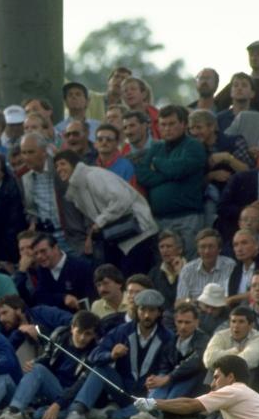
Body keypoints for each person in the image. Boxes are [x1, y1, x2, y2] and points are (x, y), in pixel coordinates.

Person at [65, 289, 172, 419]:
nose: (146, 315)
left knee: (163, 383)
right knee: (100, 369)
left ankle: (112, 414)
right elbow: (94, 356)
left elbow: (171, 366)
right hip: (123, 390)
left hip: (150, 392)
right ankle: (77, 411)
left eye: (152, 311)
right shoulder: (122, 331)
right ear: (136, 310)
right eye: (142, 310)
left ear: (159, 312)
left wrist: (160, 377)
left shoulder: (167, 337)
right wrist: (111, 355)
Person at [54, 149, 158, 275]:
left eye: (63, 163)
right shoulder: (77, 188)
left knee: (136, 279)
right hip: (121, 238)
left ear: (75, 164)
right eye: (56, 166)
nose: (59, 168)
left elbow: (121, 199)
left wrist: (100, 222)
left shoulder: (93, 175)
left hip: (139, 233)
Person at [0, 309, 100, 419]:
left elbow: (80, 384)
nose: (82, 338)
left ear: (94, 334)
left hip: (73, 396)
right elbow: (48, 357)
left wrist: (57, 405)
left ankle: (21, 412)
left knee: (39, 413)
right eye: (79, 332)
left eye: (88, 334)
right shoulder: (60, 335)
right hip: (54, 389)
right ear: (72, 328)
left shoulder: (95, 351)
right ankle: (15, 411)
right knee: (36, 368)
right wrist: (34, 362)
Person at [133, 105, 207, 256]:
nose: (167, 128)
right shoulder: (156, 148)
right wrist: (171, 173)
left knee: (187, 264)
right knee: (163, 267)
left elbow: (179, 169)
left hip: (187, 218)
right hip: (159, 220)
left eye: (172, 124)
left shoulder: (194, 146)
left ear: (184, 124)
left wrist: (158, 163)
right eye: (163, 124)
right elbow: (143, 175)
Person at [129, 302, 209, 419]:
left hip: (194, 381)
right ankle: (150, 412)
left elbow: (195, 363)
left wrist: (167, 378)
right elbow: (164, 366)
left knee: (173, 390)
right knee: (159, 382)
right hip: (174, 379)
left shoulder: (203, 340)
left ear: (196, 322)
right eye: (180, 322)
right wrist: (155, 380)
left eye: (187, 322)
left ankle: (154, 413)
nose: (183, 326)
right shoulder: (172, 342)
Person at [176, 229, 235, 303]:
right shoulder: (187, 270)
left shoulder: (230, 266)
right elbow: (180, 302)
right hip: (195, 311)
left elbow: (228, 298)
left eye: (211, 246)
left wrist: (194, 301)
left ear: (219, 249)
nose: (207, 251)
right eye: (203, 247)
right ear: (198, 250)